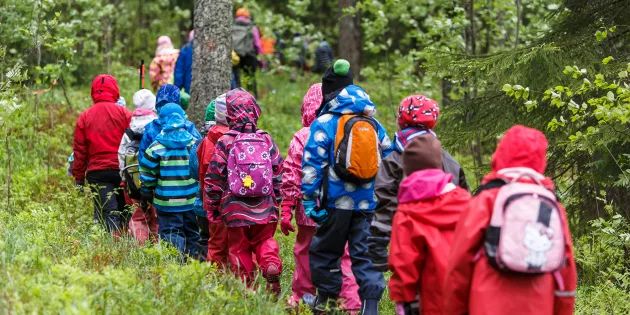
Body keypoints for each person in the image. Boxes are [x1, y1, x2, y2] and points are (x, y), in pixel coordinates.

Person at [443, 125, 577, 315]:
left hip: (486, 305)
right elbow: (566, 270)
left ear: (501, 154)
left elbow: (459, 263)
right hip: (539, 305)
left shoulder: (486, 199)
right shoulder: (551, 203)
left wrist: (454, 310)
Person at [301, 60, 392, 315]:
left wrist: (309, 199)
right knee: (365, 253)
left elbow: (312, 165)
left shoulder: (324, 122)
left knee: (326, 252)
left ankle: (326, 303)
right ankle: (370, 307)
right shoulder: (373, 124)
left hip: (334, 204)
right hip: (368, 203)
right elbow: (388, 155)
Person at [281, 83, 360, 311]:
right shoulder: (349, 129)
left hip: (309, 212)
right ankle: (350, 303)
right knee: (344, 254)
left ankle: (303, 298)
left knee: (305, 252)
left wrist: (287, 206)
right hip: (343, 208)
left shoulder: (303, 136)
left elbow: (292, 174)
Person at [367, 95, 469, 272]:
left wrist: (378, 246)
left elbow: (385, 204)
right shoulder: (449, 161)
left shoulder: (392, 160)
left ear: (401, 120)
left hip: (410, 239)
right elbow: (467, 206)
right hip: (449, 244)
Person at [205, 88, 284, 295]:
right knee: (264, 240)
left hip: (234, 207)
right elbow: (278, 171)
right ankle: (270, 263)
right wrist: (277, 198)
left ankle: (248, 291)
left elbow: (213, 177)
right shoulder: (266, 139)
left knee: (239, 248)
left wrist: (213, 206)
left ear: (230, 114)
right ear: (255, 112)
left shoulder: (225, 141)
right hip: (265, 207)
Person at [388, 135, 471, 315]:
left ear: (408, 170)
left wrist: (403, 300)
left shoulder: (406, 212)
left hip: (431, 300)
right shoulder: (467, 203)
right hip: (468, 296)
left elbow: (403, 262)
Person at [72, 75, 132, 236]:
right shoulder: (125, 114)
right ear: (115, 91)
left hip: (97, 173)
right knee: (125, 210)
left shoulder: (85, 117)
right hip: (122, 172)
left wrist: (78, 178)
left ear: (93, 92)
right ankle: (125, 247)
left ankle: (112, 248)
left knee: (108, 213)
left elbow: (80, 151)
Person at [139, 103, 200, 257]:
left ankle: (175, 264)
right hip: (191, 200)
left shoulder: (156, 147)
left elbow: (147, 172)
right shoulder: (194, 144)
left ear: (162, 121)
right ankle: (193, 264)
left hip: (166, 202)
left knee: (171, 232)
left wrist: (146, 190)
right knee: (192, 232)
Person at [189, 95, 229, 263]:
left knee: (206, 238)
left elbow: (193, 171)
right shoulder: (236, 139)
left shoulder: (201, 142)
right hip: (231, 204)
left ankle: (205, 272)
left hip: (204, 204)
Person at [118, 89, 158, 245]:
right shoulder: (155, 127)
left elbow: (121, 153)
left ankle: (140, 247)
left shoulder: (130, 129)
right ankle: (156, 246)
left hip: (133, 180)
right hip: (154, 180)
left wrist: (123, 177)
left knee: (138, 216)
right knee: (155, 216)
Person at [138, 84, 201, 164]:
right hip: (187, 173)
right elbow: (199, 153)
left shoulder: (151, 128)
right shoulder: (188, 126)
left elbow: (143, 158)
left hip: (159, 174)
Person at [232, 8, 263, 96]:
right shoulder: (252, 27)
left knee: (237, 78)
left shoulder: (232, 27)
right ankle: (253, 97)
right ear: (248, 16)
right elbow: (257, 44)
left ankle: (236, 98)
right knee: (250, 77)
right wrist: (261, 61)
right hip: (250, 55)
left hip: (236, 56)